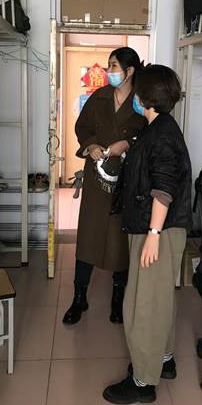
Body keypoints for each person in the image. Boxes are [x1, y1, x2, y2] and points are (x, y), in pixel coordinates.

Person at [103, 64, 192, 405]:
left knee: (143, 305)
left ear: (146, 98)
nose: (133, 96)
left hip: (157, 230)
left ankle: (143, 382)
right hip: (156, 227)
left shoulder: (163, 134)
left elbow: (163, 189)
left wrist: (153, 234)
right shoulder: (158, 127)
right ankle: (163, 360)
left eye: (137, 91)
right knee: (158, 299)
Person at [62, 48, 147, 325]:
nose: (109, 71)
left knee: (119, 241)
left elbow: (150, 135)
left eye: (113, 66)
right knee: (88, 235)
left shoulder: (142, 101)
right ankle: (79, 298)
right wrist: (91, 146)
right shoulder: (98, 97)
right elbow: (82, 127)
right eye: (110, 66)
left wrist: (129, 144)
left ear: (129, 70)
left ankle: (117, 299)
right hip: (97, 178)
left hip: (126, 179)